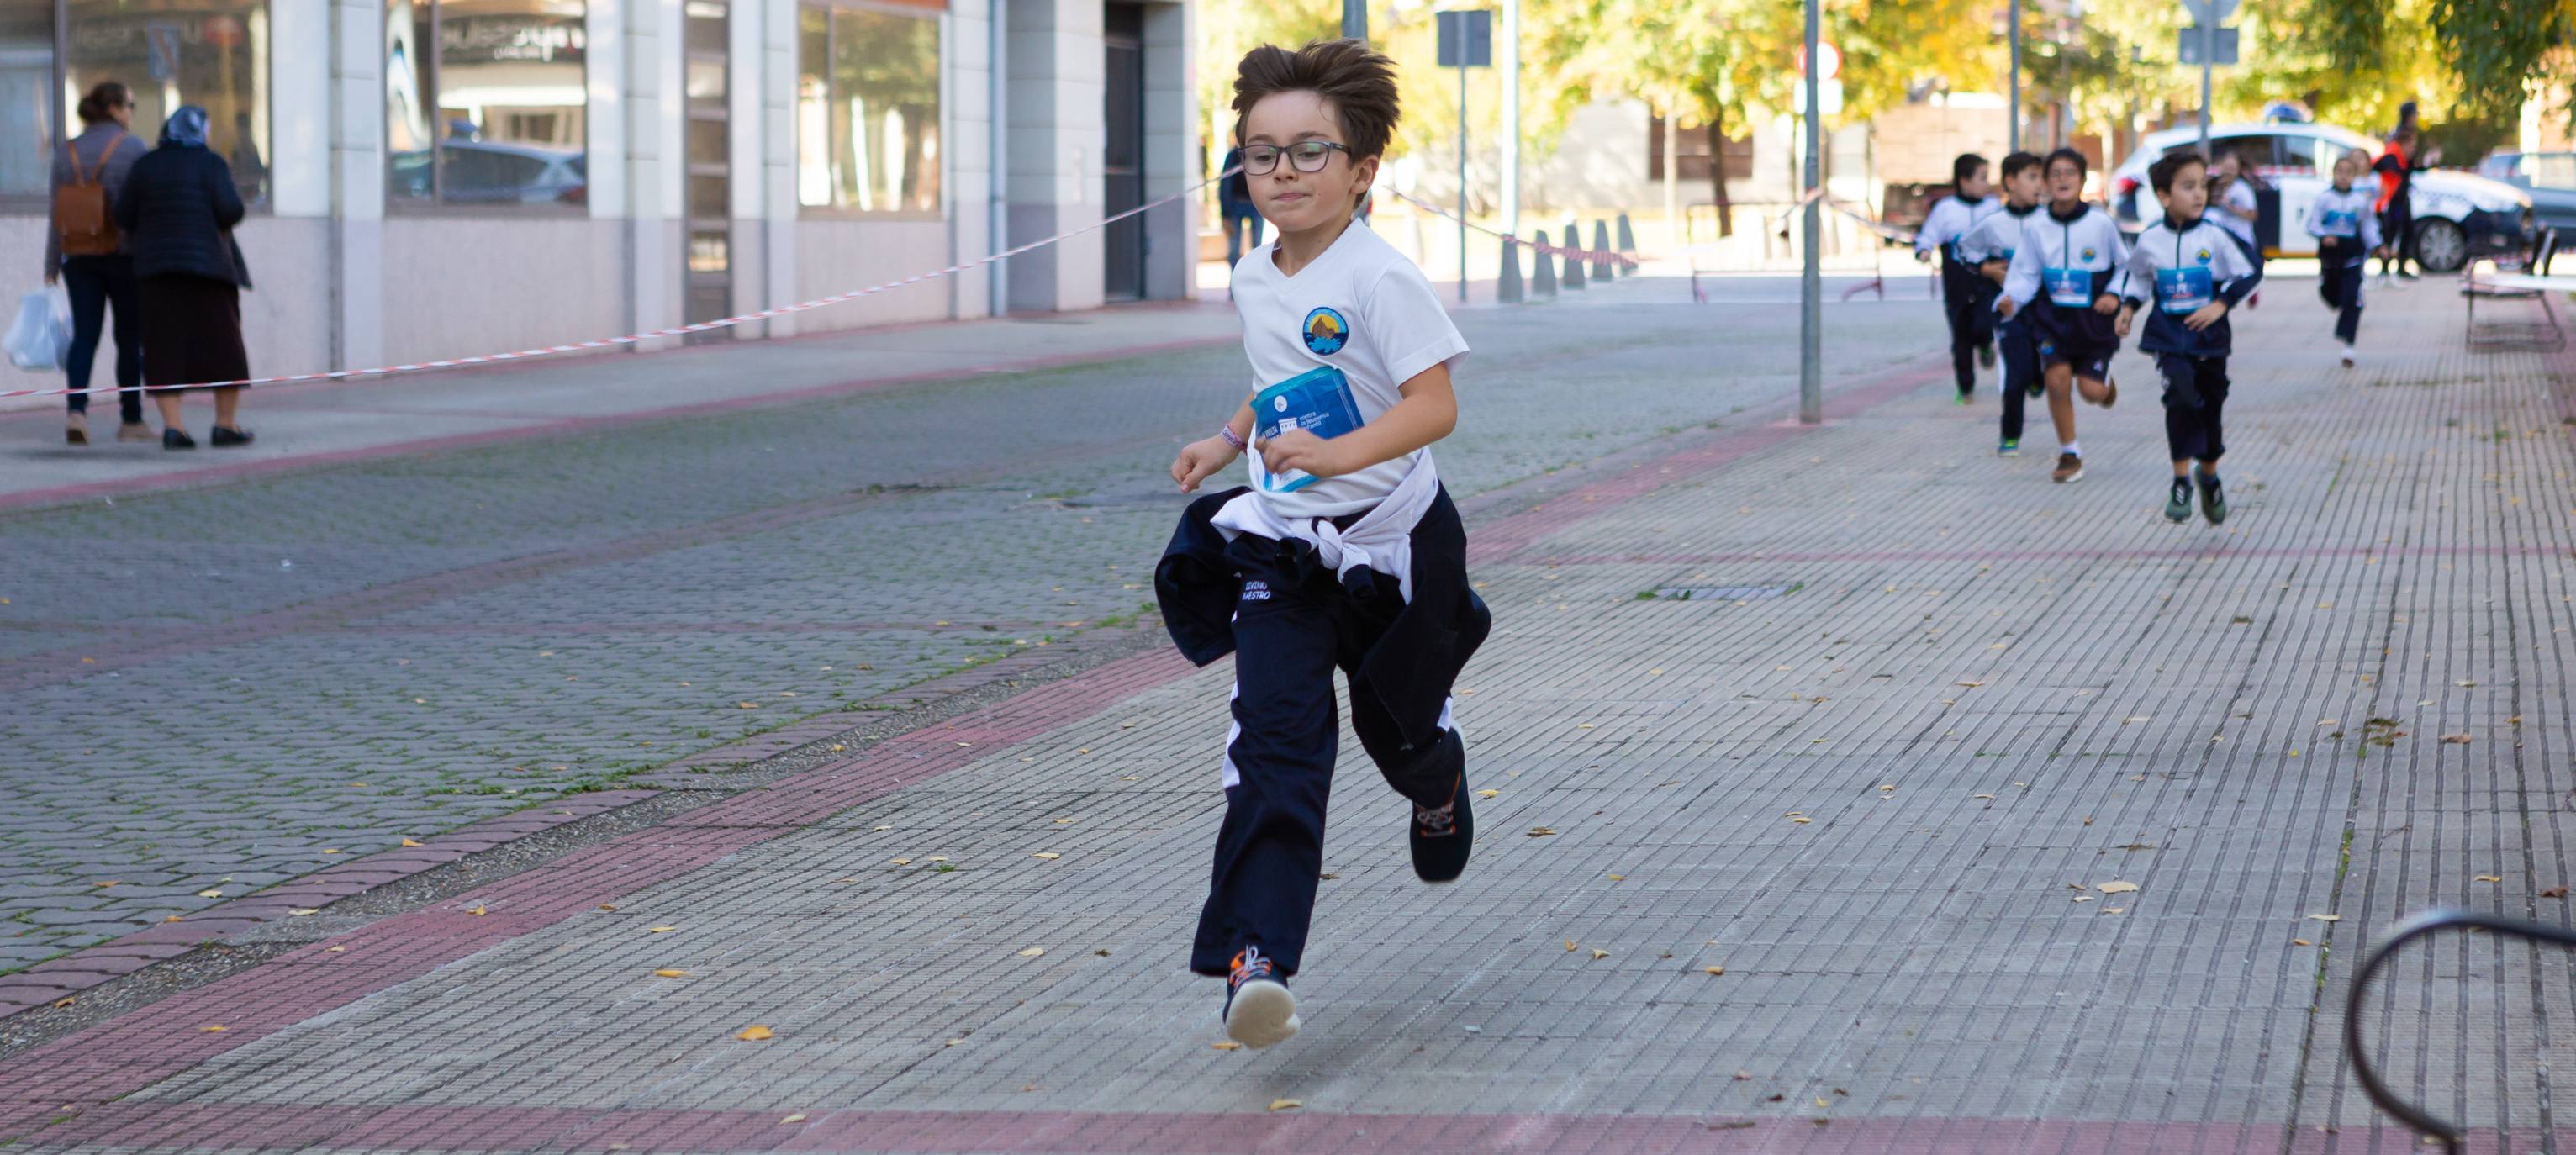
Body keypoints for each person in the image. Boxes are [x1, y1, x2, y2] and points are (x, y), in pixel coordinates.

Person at [1156, 38, 1488, 1052]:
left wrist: (1339, 453)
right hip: (1287, 546)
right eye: (1262, 154)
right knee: (1276, 743)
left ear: (1361, 169)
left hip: (1395, 547)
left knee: (1399, 736)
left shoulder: (1382, 279)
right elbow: (1278, 376)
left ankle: (1438, 786)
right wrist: (1229, 438)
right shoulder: (1256, 272)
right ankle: (1256, 961)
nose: (1283, 173)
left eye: (1309, 152)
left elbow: (1436, 407)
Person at [2116, 150, 2261, 525]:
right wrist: (2129, 307)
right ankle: (2181, 480)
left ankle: (2208, 476)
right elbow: (2139, 278)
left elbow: (2249, 271)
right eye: (2187, 187)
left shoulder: (2215, 235)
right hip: (2169, 337)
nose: (2198, 194)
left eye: (2202, 186)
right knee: (2179, 397)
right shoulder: (2150, 240)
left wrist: (2221, 304)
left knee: (2210, 406)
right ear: (2164, 196)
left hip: (2209, 339)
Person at [115, 106, 255, 451]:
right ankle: (225, 425)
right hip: (208, 269)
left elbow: (123, 215)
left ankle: (174, 429)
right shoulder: (211, 163)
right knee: (225, 348)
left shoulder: (145, 165)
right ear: (201, 132)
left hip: (156, 271)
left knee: (163, 348)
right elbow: (232, 210)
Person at [1998, 148, 2126, 484]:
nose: (2062, 179)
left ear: (2083, 179)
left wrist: (2114, 294)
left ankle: (2105, 385)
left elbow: (2125, 266)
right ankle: (2070, 452)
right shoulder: (2036, 227)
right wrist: (2011, 299)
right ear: (2045, 182)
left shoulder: (2101, 223)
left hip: (2093, 320)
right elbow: (2025, 273)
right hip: (2051, 318)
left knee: (2091, 392)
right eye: (2055, 173)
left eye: (2070, 172)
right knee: (2056, 381)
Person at [46, 82, 151, 446]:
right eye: (130, 105)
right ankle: (131, 418)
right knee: (129, 338)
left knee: (85, 337)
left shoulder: (67, 151)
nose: (131, 113)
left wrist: (51, 264)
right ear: (114, 108)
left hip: (78, 256)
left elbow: (55, 212)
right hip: (126, 256)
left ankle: (77, 412)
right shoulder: (135, 149)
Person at [1960, 150, 2045, 456]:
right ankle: (2010, 435)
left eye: (2041, 178)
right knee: (2015, 375)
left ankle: (2038, 377)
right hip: (2009, 310)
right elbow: (1963, 250)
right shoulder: (1993, 223)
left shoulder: (2049, 221)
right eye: (2032, 177)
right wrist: (1985, 269)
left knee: (2042, 364)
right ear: (2010, 181)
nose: (2040, 185)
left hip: (2046, 309)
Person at [1914, 153, 2003, 403]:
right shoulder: (1945, 209)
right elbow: (1927, 235)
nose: (1987, 183)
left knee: (1984, 323)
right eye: (1982, 178)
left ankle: (1985, 344)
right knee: (1961, 336)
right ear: (1964, 181)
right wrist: (1923, 250)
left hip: (1986, 279)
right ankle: (1965, 388)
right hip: (1956, 283)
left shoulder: (1993, 207)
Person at [2311, 150, 2386, 367]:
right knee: (2332, 294)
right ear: (2333, 174)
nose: (2343, 177)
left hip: (2352, 254)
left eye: (2348, 173)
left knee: (2351, 299)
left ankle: (2348, 346)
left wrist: (2378, 246)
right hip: (2330, 257)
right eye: (2339, 172)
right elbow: (2312, 223)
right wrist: (2324, 236)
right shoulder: (2325, 199)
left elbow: (2368, 226)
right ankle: (2341, 301)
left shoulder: (2359, 201)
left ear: (2354, 176)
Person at [2373, 124, 2436, 282]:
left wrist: (2428, 163)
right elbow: (2384, 168)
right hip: (2391, 203)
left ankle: (2401, 267)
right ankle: (2385, 269)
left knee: (2407, 232)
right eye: (2411, 146)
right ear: (2402, 144)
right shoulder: (2391, 156)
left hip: (2401, 202)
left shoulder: (2403, 158)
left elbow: (2414, 169)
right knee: (2390, 233)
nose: (2413, 150)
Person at [2205, 149, 2262, 309]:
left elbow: (2252, 215)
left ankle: (2250, 289)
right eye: (2226, 167)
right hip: (2221, 237)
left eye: (2233, 167)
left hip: (2241, 237)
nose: (2229, 171)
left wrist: (2231, 208)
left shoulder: (2242, 190)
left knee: (2247, 268)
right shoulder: (2213, 186)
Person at [1217, 134, 1264, 268]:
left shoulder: (1256, 155)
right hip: (1235, 206)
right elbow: (1224, 185)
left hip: (1255, 205)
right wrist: (1225, 214)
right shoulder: (1232, 156)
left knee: (1258, 248)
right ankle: (1235, 284)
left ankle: (1258, 284)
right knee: (1234, 249)